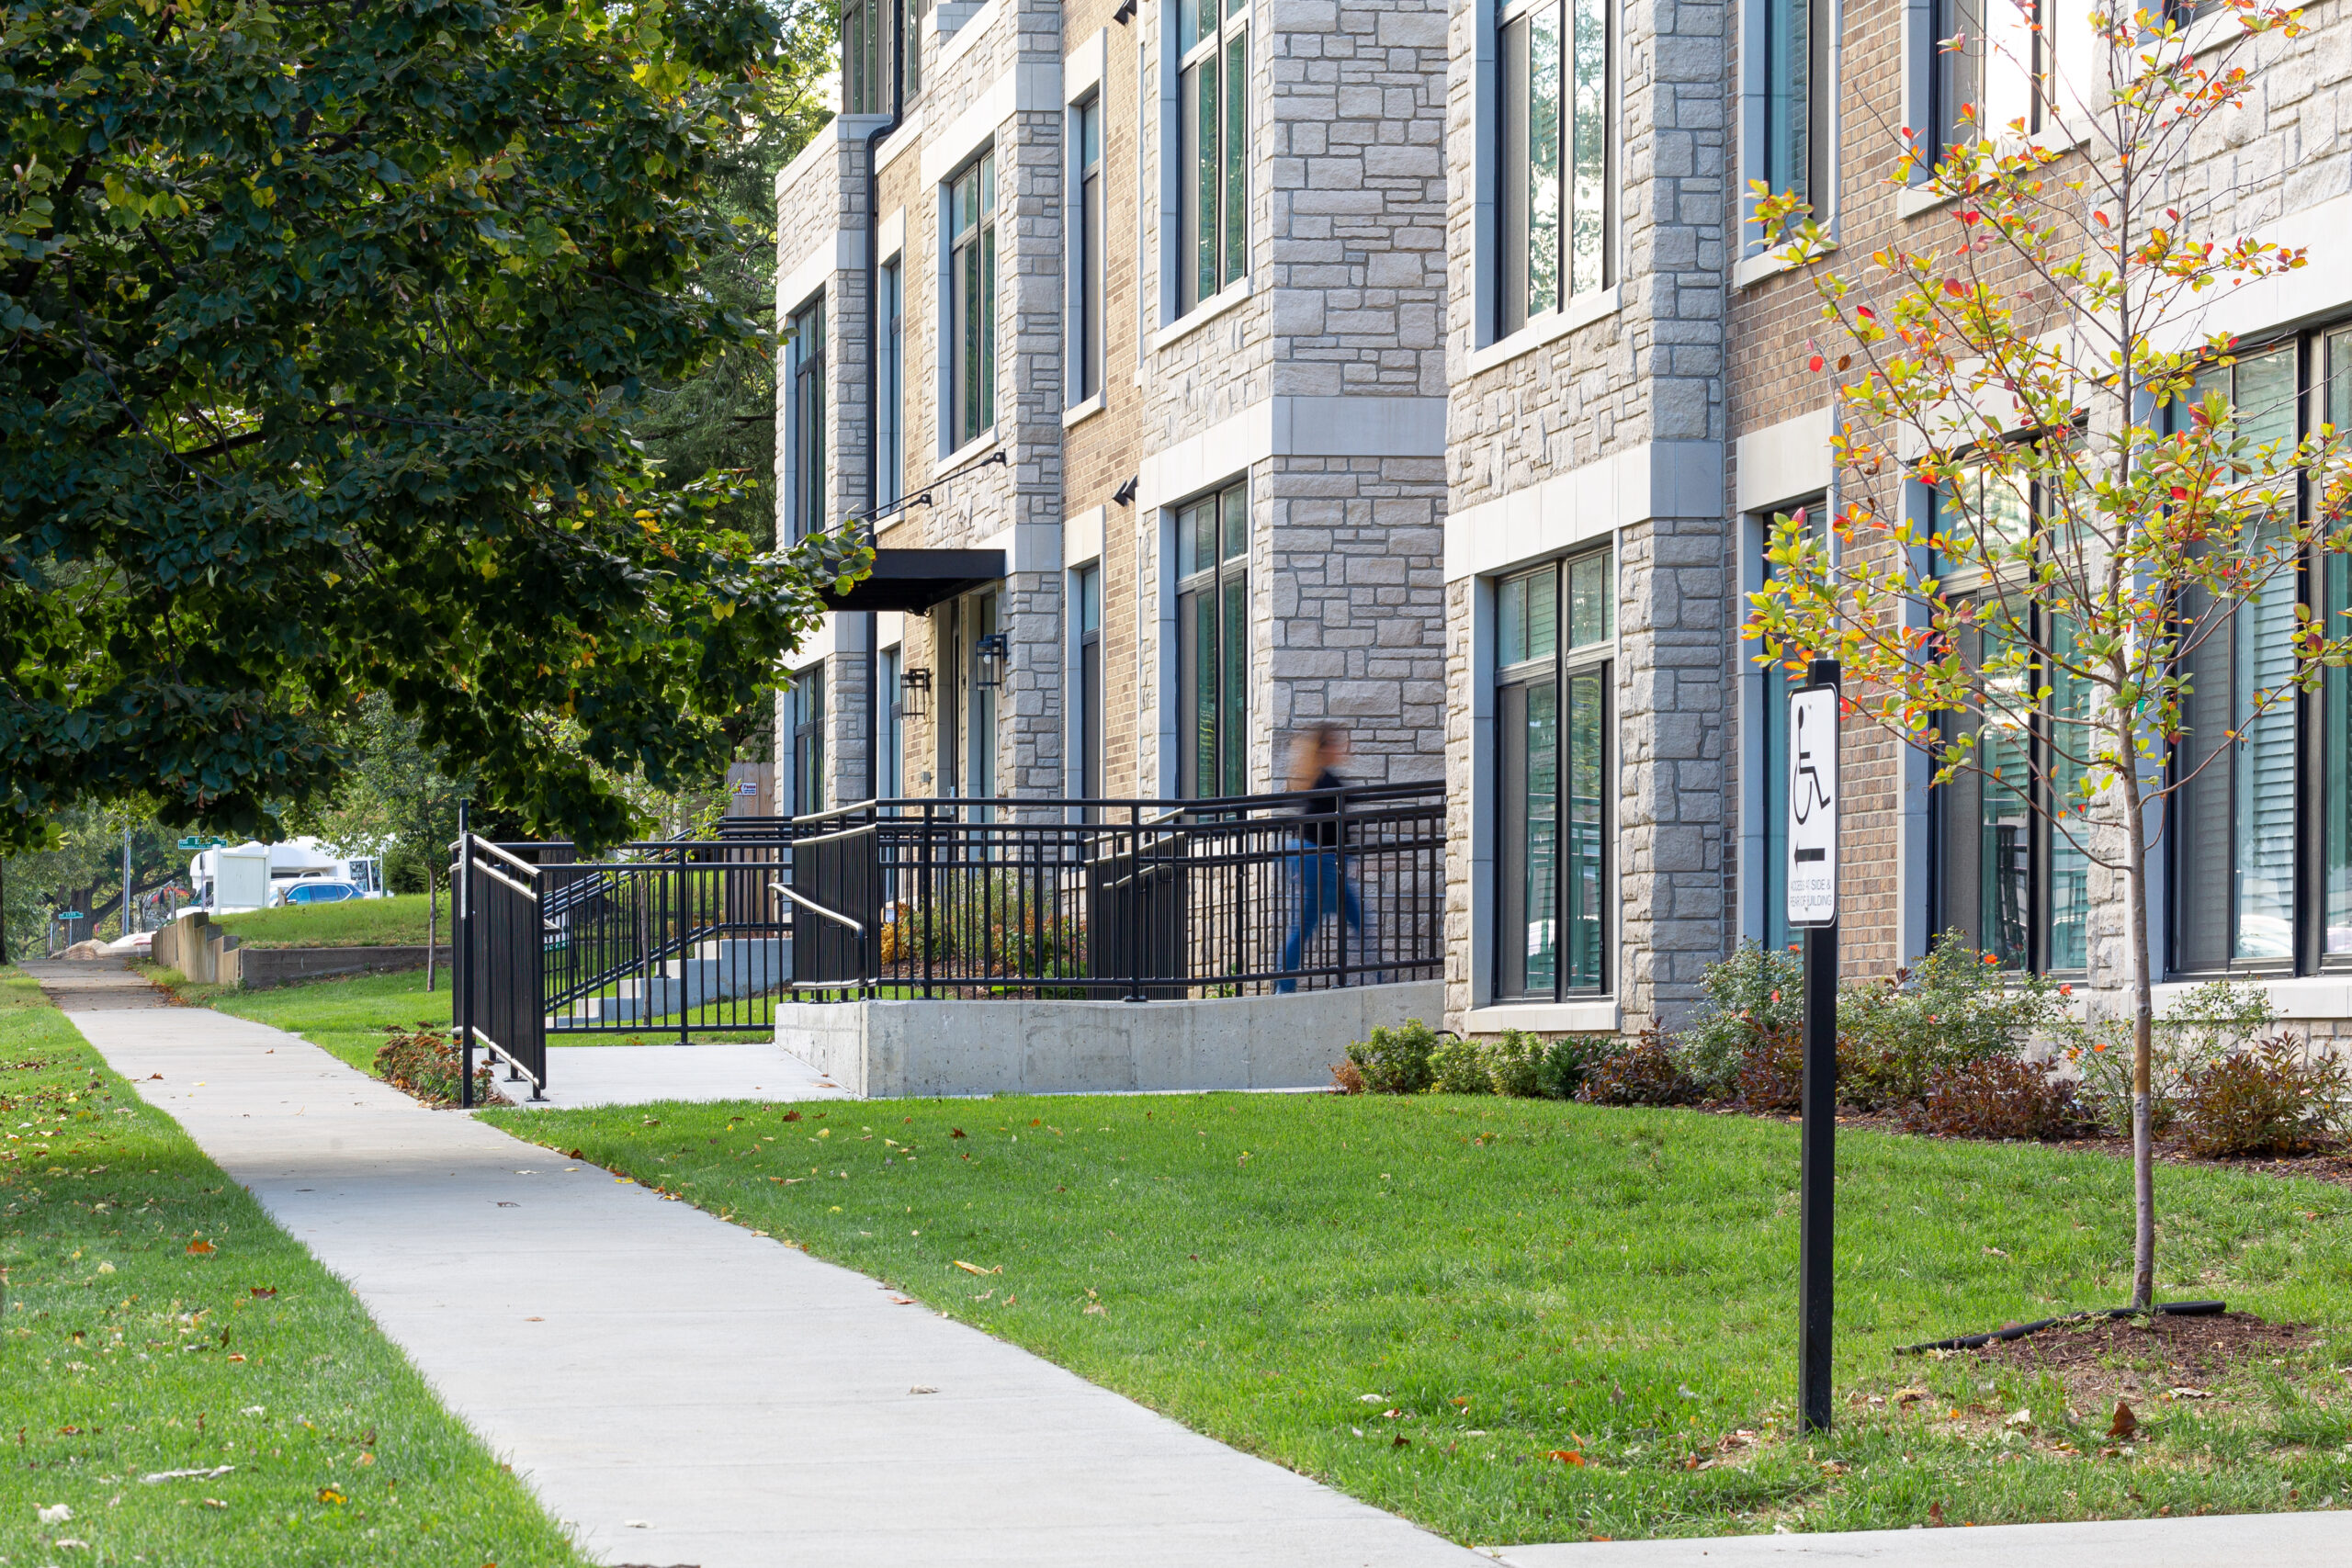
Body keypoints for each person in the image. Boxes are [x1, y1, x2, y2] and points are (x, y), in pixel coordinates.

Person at [1275, 724, 1362, 993]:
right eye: (1337, 744)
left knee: (1311, 925)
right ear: (1325, 748)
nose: (1343, 749)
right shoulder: (1325, 781)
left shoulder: (1317, 778)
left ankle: (1286, 986)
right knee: (1350, 920)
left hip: (1317, 860)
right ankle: (1369, 977)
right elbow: (1320, 822)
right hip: (1321, 861)